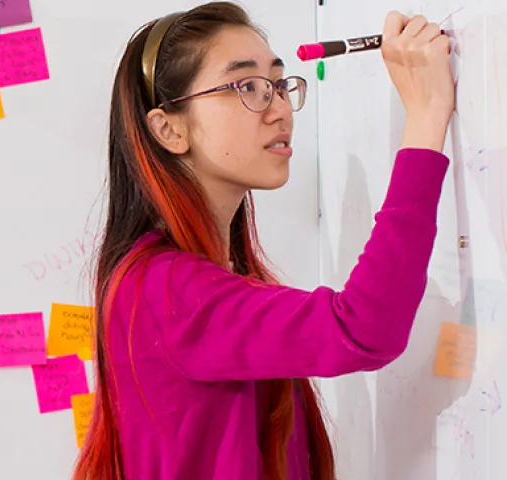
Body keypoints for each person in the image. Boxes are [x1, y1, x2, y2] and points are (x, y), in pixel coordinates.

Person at [75, 3, 453, 479]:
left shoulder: (198, 278)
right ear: (168, 129)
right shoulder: (163, 288)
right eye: (245, 87)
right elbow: (365, 326)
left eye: (277, 84)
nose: (279, 109)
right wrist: (425, 118)